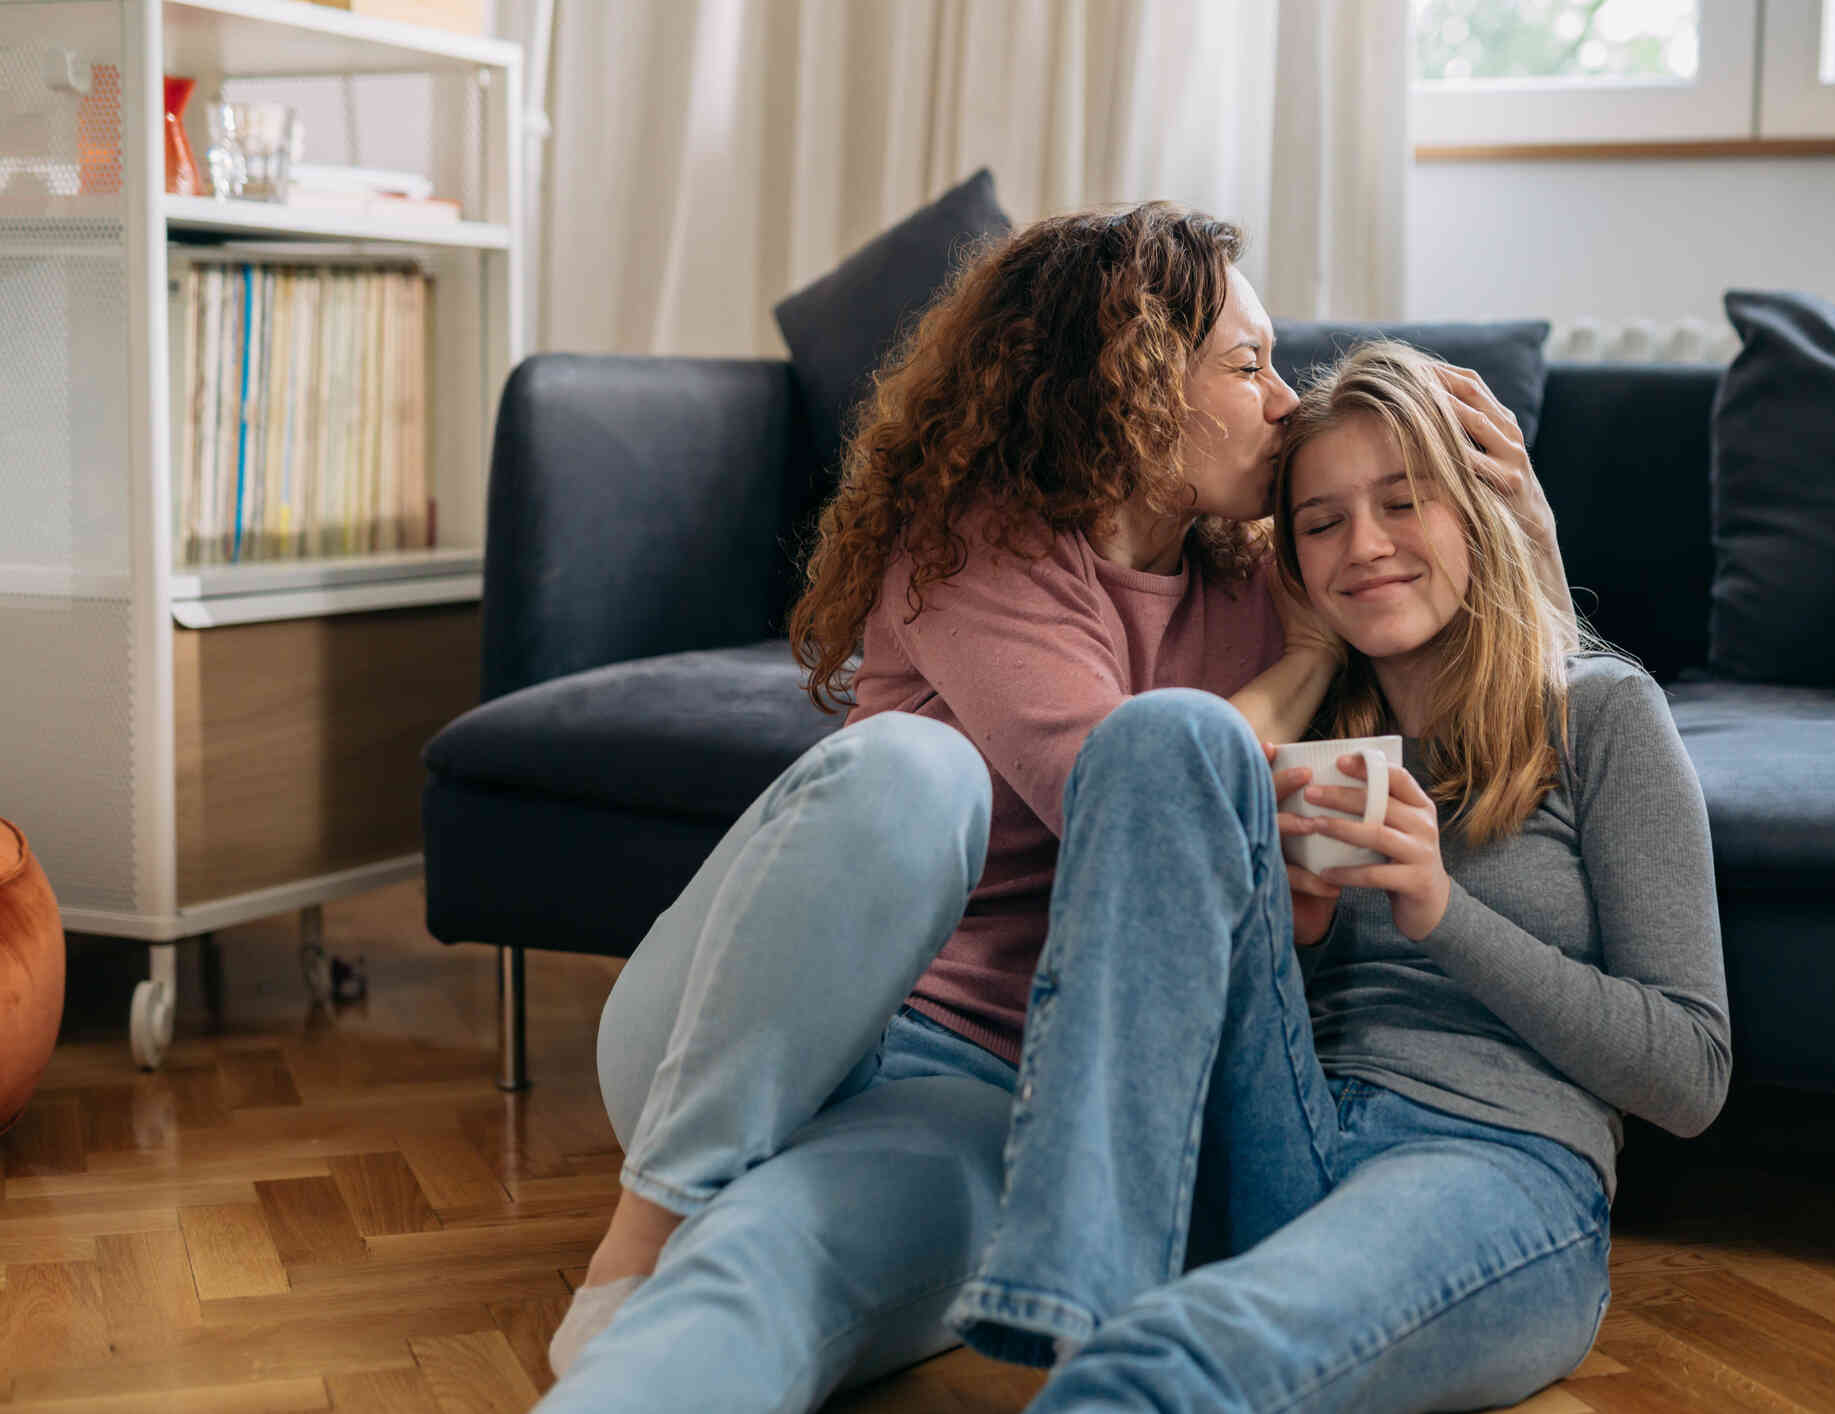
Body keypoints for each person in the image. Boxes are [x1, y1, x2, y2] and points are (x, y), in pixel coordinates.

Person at [536, 206, 1574, 1412]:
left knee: (771, 1260)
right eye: (1247, 365)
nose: (1284, 400)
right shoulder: (973, 551)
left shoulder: (1263, 578)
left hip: (976, 1090)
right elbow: (1132, 798)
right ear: (1127, 386)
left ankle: (669, 1303)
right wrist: (1295, 673)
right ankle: (648, 1217)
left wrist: (1530, 530)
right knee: (913, 775)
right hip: (750, 1026)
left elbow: (1477, 672)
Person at [940, 340, 1732, 1411]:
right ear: (1297, 563)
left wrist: (1443, 914)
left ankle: (1112, 1345)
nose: (1365, 546)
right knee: (1162, 733)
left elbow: (1690, 1075)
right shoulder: (1312, 735)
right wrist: (1294, 931)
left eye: (1404, 503)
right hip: (1288, 1132)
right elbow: (1196, 955)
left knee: (1175, 1361)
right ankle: (1075, 1281)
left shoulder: (1600, 713)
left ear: (1472, 510)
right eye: (1321, 522)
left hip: (1491, 1165)